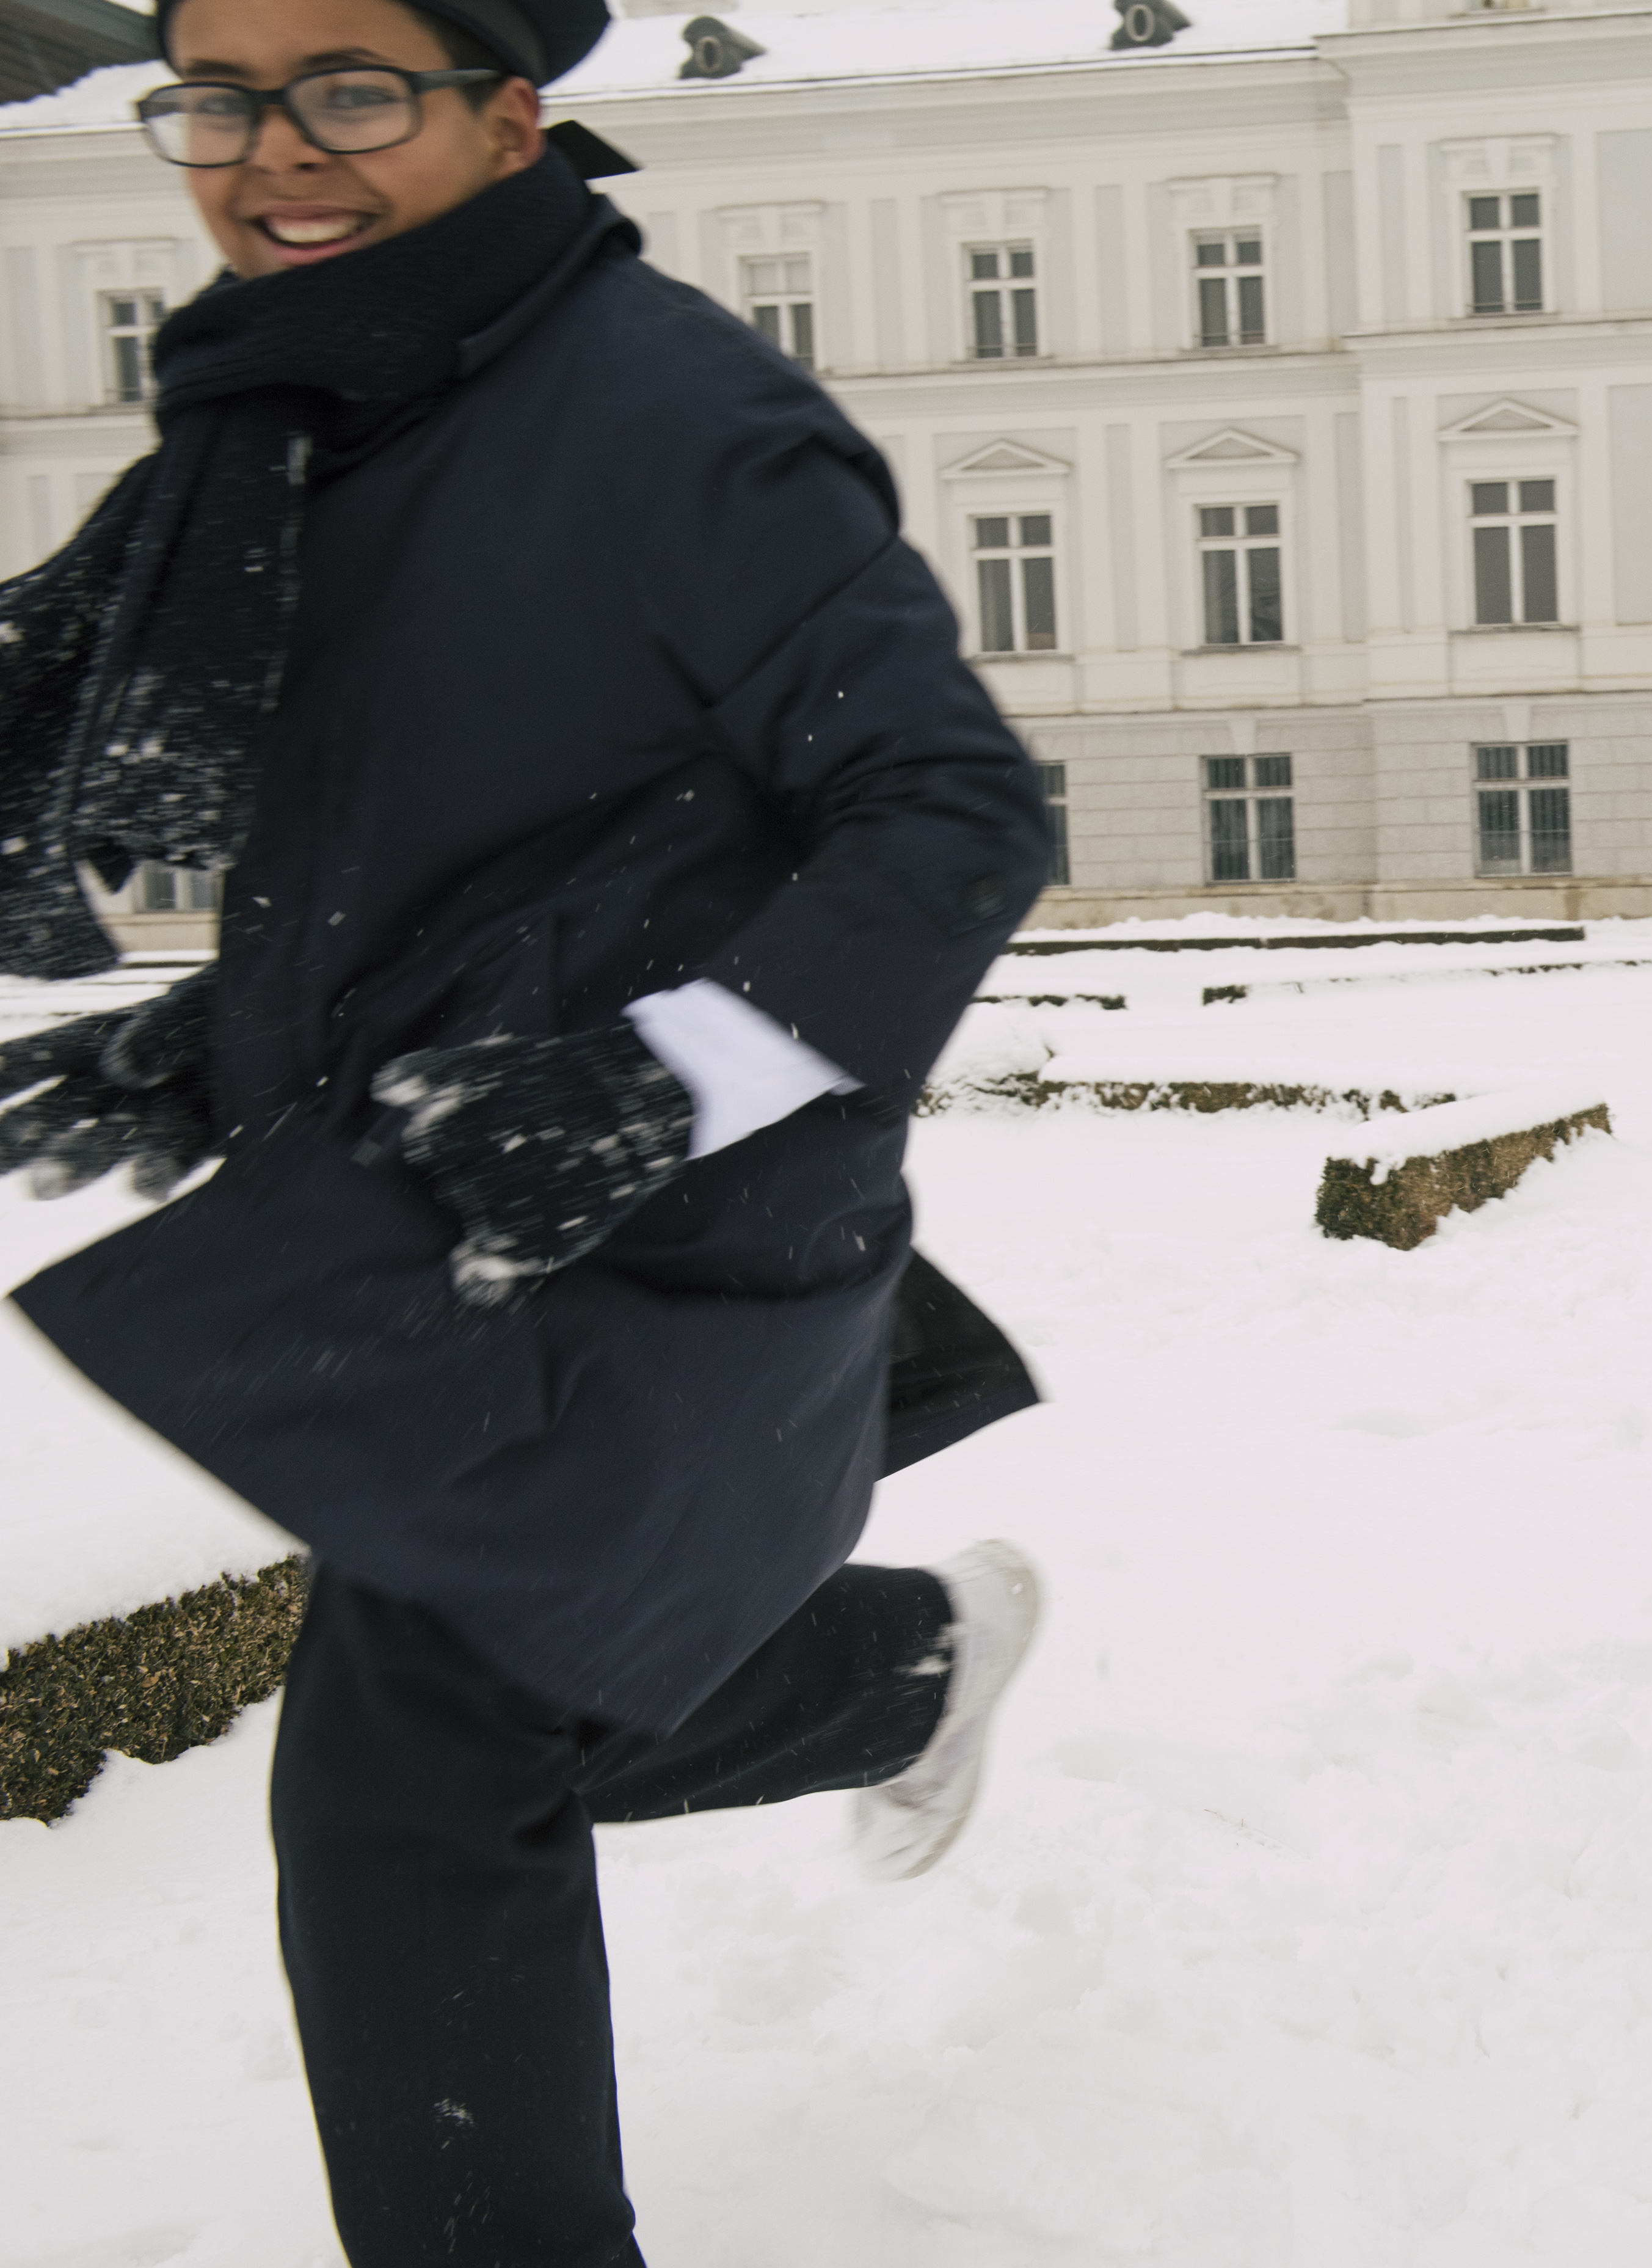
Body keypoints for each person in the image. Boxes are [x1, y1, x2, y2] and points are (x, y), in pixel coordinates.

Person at [0, 0, 1057, 2256]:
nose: (275, 150)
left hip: (640, 1222)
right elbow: (471, 842)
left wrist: (666, 1080)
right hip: (455, 1186)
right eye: (222, 98)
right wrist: (210, 1037)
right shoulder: (305, 412)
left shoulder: (671, 417)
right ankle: (894, 1663)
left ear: (505, 121)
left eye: (350, 90)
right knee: (477, 1728)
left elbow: (952, 811)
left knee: (401, 1800)